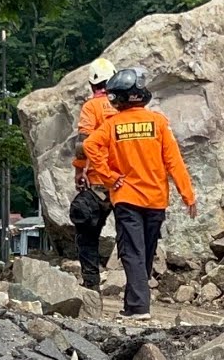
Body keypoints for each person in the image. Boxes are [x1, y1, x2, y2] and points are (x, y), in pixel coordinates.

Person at [83, 67, 197, 320]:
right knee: (145, 251)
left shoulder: (112, 125)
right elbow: (174, 162)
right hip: (156, 200)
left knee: (132, 252)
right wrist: (187, 194)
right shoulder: (158, 123)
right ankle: (133, 304)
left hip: (127, 198)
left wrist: (109, 177)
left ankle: (139, 307)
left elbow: (90, 145)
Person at [69, 57, 117, 290]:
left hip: (98, 183)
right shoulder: (123, 106)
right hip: (124, 184)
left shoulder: (91, 107)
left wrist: (79, 171)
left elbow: (83, 143)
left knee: (87, 234)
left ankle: (91, 284)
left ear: (91, 84)